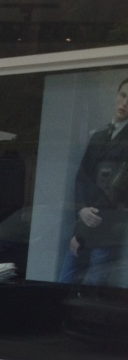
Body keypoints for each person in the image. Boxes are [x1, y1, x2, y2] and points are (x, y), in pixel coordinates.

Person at [61, 76, 128, 286]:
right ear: (116, 96)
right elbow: (81, 178)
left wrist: (81, 230)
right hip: (85, 225)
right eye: (123, 96)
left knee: (91, 290)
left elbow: (116, 191)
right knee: (64, 284)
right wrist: (80, 212)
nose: (125, 103)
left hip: (107, 228)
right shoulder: (98, 136)